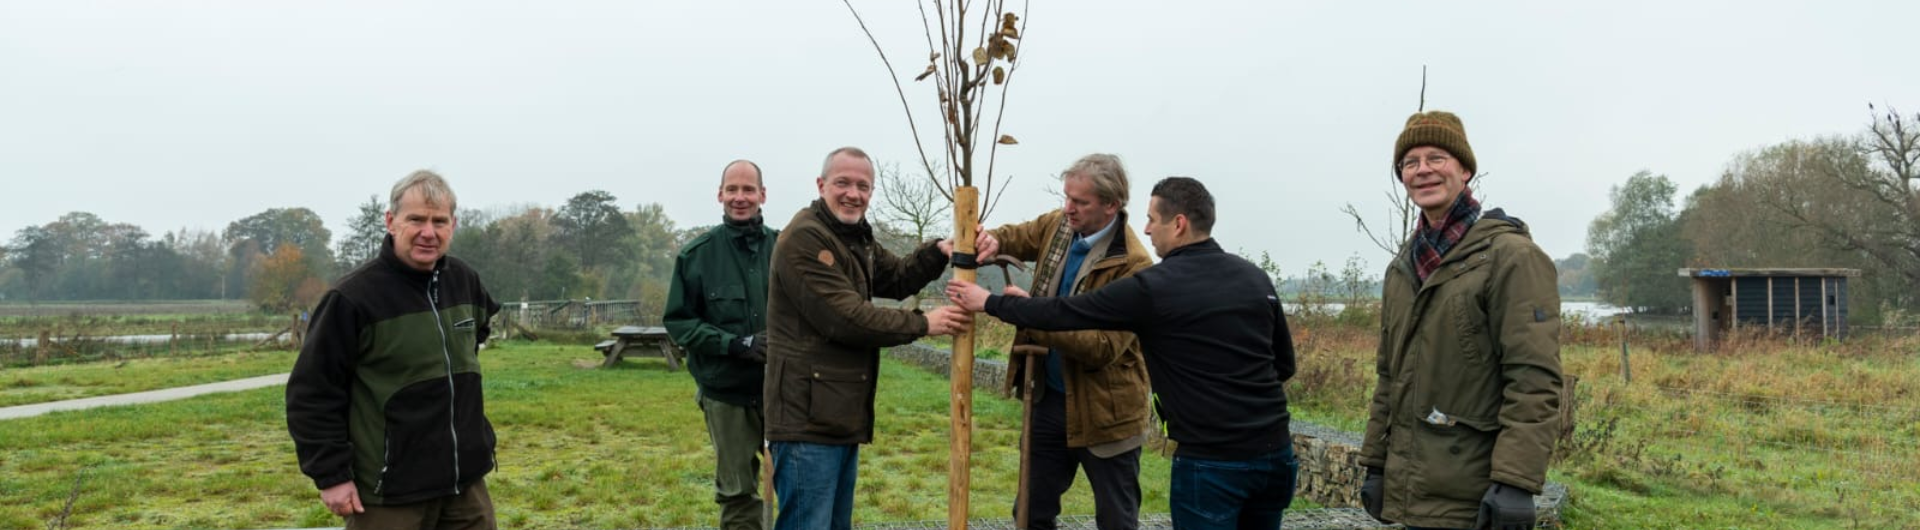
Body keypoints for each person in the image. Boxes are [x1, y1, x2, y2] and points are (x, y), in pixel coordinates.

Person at [948, 176, 1297, 530]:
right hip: (1277, 456)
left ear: (1178, 225)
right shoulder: (1256, 278)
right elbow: (1283, 364)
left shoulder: (1153, 286)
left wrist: (991, 303)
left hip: (1211, 460)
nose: (1145, 229)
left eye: (1152, 219)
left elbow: (1066, 313)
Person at [762, 146, 994, 530]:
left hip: (834, 412)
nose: (853, 193)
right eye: (843, 183)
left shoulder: (855, 237)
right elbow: (845, 318)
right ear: (821, 185)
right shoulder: (805, 239)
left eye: (863, 186)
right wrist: (924, 324)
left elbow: (897, 277)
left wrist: (940, 252)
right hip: (805, 419)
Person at [1357, 111, 1563, 530]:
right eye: (1410, 163)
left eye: (1437, 158)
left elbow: (1533, 378)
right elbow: (1389, 378)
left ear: (1465, 169)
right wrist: (1376, 463)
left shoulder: (1511, 258)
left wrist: (1516, 481)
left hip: (1477, 490)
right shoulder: (1402, 269)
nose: (1423, 171)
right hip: (1416, 488)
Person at [287, 170, 502, 529]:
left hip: (464, 486)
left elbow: (472, 343)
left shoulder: (465, 281)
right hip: (389, 492)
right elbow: (312, 392)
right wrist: (331, 474)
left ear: (453, 224)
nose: (428, 232)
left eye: (439, 221)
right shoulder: (352, 299)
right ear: (391, 221)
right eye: (415, 219)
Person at [981, 154, 1153, 530]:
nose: (1067, 208)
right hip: (1048, 402)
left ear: (1111, 205)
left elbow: (1103, 346)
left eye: (1080, 202)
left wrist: (1029, 312)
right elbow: (1018, 235)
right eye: (1066, 197)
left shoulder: (1134, 266)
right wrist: (991, 240)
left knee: (1117, 520)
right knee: (1030, 513)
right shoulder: (1058, 226)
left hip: (1107, 412)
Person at [664, 159, 779, 530]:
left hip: (783, 391)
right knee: (737, 492)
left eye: (748, 190)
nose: (740, 197)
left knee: (797, 485)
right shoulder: (696, 256)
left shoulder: (785, 250)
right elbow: (679, 322)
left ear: (763, 195)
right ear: (720, 195)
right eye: (732, 189)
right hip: (726, 393)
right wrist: (735, 344)